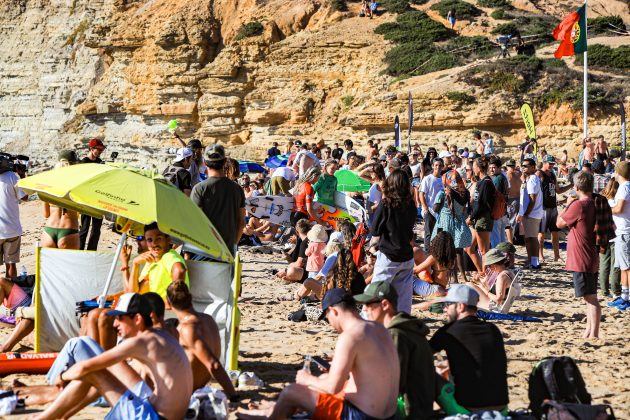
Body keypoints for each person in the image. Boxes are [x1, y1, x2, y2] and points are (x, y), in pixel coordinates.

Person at [237, 288, 400, 420]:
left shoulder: (350, 336)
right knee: (320, 380)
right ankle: (271, 411)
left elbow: (332, 388)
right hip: (388, 415)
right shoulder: (379, 329)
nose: (329, 324)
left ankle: (272, 415)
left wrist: (306, 379)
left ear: (333, 311)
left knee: (292, 391)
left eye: (327, 317)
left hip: (360, 416)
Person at [33, 293, 193, 420]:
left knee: (93, 371)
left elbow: (85, 367)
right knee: (102, 371)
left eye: (120, 318)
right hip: (163, 411)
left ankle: (43, 418)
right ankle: (63, 415)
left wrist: (62, 376)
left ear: (137, 319)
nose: (115, 324)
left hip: (152, 416)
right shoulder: (159, 335)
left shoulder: (141, 342)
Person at [356, 282, 435, 419]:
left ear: (385, 304)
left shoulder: (396, 334)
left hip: (409, 411)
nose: (365, 309)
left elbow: (392, 383)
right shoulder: (407, 327)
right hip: (420, 406)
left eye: (369, 304)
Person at [430, 285, 509, 413]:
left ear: (461, 306)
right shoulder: (492, 329)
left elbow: (422, 355)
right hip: (501, 409)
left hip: (467, 409)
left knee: (427, 373)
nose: (444, 309)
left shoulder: (448, 332)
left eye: (448, 304)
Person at [166, 282, 237, 398]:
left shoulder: (187, 328)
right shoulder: (208, 319)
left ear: (168, 302)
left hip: (186, 392)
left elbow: (213, 364)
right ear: (190, 297)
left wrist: (233, 395)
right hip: (200, 385)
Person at [557, 171, 600, 337]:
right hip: (589, 254)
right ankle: (589, 331)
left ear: (576, 187)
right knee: (589, 296)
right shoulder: (595, 202)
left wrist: (568, 204)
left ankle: (594, 333)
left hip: (582, 257)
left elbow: (559, 223)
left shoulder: (579, 205)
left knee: (591, 297)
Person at [371, 170, 417, 313]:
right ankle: (401, 328)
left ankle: (366, 326)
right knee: (403, 304)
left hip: (389, 256)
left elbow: (375, 231)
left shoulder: (386, 204)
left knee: (374, 297)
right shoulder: (411, 205)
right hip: (407, 256)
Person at [191, 144, 246, 255]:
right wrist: (233, 245)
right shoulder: (237, 189)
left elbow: (194, 222)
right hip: (227, 250)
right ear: (225, 161)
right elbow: (241, 222)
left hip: (204, 249)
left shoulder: (199, 188)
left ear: (205, 163)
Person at [41, 152, 81, 250]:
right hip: (69, 229)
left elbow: (46, 214)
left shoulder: (48, 185)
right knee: (69, 265)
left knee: (49, 265)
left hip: (49, 230)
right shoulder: (77, 185)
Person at [537, 155, 571, 262]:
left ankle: (557, 256)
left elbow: (559, 190)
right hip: (543, 207)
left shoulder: (552, 174)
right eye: (549, 163)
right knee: (541, 233)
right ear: (544, 162)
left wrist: (571, 185)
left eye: (552, 164)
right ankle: (540, 255)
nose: (551, 165)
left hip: (552, 206)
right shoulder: (539, 173)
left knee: (555, 232)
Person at [0, 152, 28, 277]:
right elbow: (25, 197)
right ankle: (11, 293)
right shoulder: (12, 176)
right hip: (12, 229)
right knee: (11, 264)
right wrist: (22, 175)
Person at [608, 162, 630, 310]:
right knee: (623, 266)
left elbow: (619, 208)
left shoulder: (624, 187)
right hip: (623, 231)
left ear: (619, 173)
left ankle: (627, 298)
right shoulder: (626, 187)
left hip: (624, 231)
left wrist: (607, 208)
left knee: (627, 267)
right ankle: (624, 296)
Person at [79, 138, 106, 251]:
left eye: (101, 149)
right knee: (84, 228)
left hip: (97, 199)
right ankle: (79, 251)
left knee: (96, 229)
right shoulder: (83, 162)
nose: (100, 151)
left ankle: (91, 251)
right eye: (98, 149)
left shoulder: (100, 163)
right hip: (86, 198)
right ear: (91, 148)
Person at [517, 158, 543, 269]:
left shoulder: (532, 179)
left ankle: (534, 262)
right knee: (529, 238)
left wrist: (526, 213)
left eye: (526, 166)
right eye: (522, 165)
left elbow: (532, 199)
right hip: (532, 213)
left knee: (532, 239)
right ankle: (531, 261)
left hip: (532, 214)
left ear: (533, 167)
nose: (523, 167)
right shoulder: (530, 179)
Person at [467, 157, 495, 259]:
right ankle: (481, 272)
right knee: (470, 248)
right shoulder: (481, 182)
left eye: (474, 167)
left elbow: (481, 204)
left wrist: (471, 217)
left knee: (484, 251)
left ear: (478, 168)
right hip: (478, 218)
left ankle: (487, 274)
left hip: (483, 218)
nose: (473, 169)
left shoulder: (486, 182)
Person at [413, 231, 456, 297]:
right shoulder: (452, 258)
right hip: (443, 288)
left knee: (411, 279)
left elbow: (416, 270)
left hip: (435, 289)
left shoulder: (434, 258)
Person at [599, 179, 621, 300]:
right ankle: (615, 289)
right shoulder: (618, 202)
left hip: (603, 235)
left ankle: (603, 289)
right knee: (615, 265)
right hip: (615, 235)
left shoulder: (603, 200)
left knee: (603, 264)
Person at [0, 276, 33, 352]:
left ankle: (5, 347)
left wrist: (21, 312)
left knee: (2, 281)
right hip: (22, 306)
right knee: (2, 281)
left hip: (29, 306)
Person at [419, 158, 444, 251]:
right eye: (436, 165)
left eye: (440, 165)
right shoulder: (427, 179)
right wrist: (425, 208)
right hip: (429, 210)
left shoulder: (443, 179)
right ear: (433, 166)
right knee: (428, 233)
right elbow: (421, 194)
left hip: (440, 212)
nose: (438, 167)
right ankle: (427, 253)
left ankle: (436, 254)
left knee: (438, 234)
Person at [489, 157, 509, 248]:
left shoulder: (498, 179)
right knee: (502, 237)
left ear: (499, 167)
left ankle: (498, 259)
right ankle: (504, 258)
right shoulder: (503, 177)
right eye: (490, 167)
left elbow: (494, 196)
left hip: (497, 211)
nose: (491, 170)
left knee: (495, 238)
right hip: (502, 210)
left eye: (493, 167)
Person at [504, 159, 521, 243]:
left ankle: (510, 242)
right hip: (518, 199)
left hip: (512, 200)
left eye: (512, 166)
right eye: (510, 166)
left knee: (510, 222)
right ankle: (511, 239)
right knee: (514, 221)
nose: (511, 168)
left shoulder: (507, 175)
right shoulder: (518, 174)